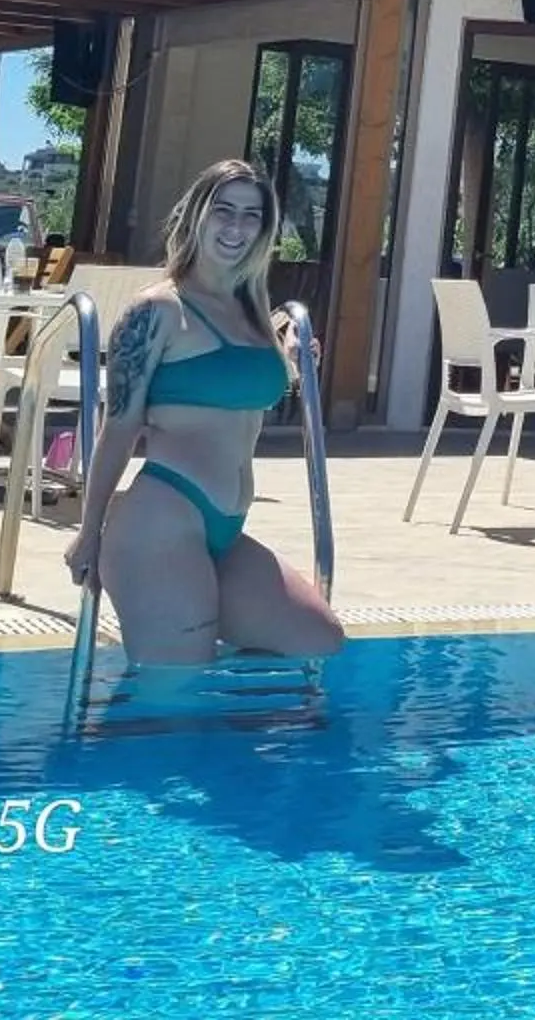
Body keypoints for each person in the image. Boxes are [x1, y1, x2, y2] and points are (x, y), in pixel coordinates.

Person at [64, 159, 345, 667]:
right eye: (223, 211)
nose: (236, 227)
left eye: (251, 215)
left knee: (316, 640)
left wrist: (292, 354)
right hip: (162, 520)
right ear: (197, 215)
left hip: (225, 529)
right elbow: (119, 427)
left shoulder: (253, 311)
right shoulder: (158, 310)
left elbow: (236, 386)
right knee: (175, 690)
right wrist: (88, 531)